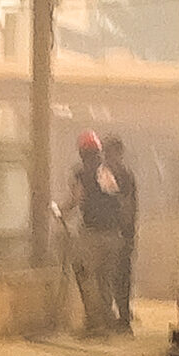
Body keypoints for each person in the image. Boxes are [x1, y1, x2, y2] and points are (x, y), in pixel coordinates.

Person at [59, 131, 132, 337]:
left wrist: (60, 211)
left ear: (82, 153)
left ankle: (95, 323)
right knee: (104, 279)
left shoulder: (81, 173)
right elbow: (121, 202)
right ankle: (107, 321)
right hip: (114, 235)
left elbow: (77, 199)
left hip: (92, 234)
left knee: (85, 275)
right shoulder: (108, 171)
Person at [100, 136, 143, 332]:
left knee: (121, 277)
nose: (108, 156)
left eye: (111, 152)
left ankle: (123, 319)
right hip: (116, 234)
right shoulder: (111, 175)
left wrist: (124, 233)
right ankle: (116, 317)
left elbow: (127, 206)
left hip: (120, 235)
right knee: (111, 277)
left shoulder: (123, 176)